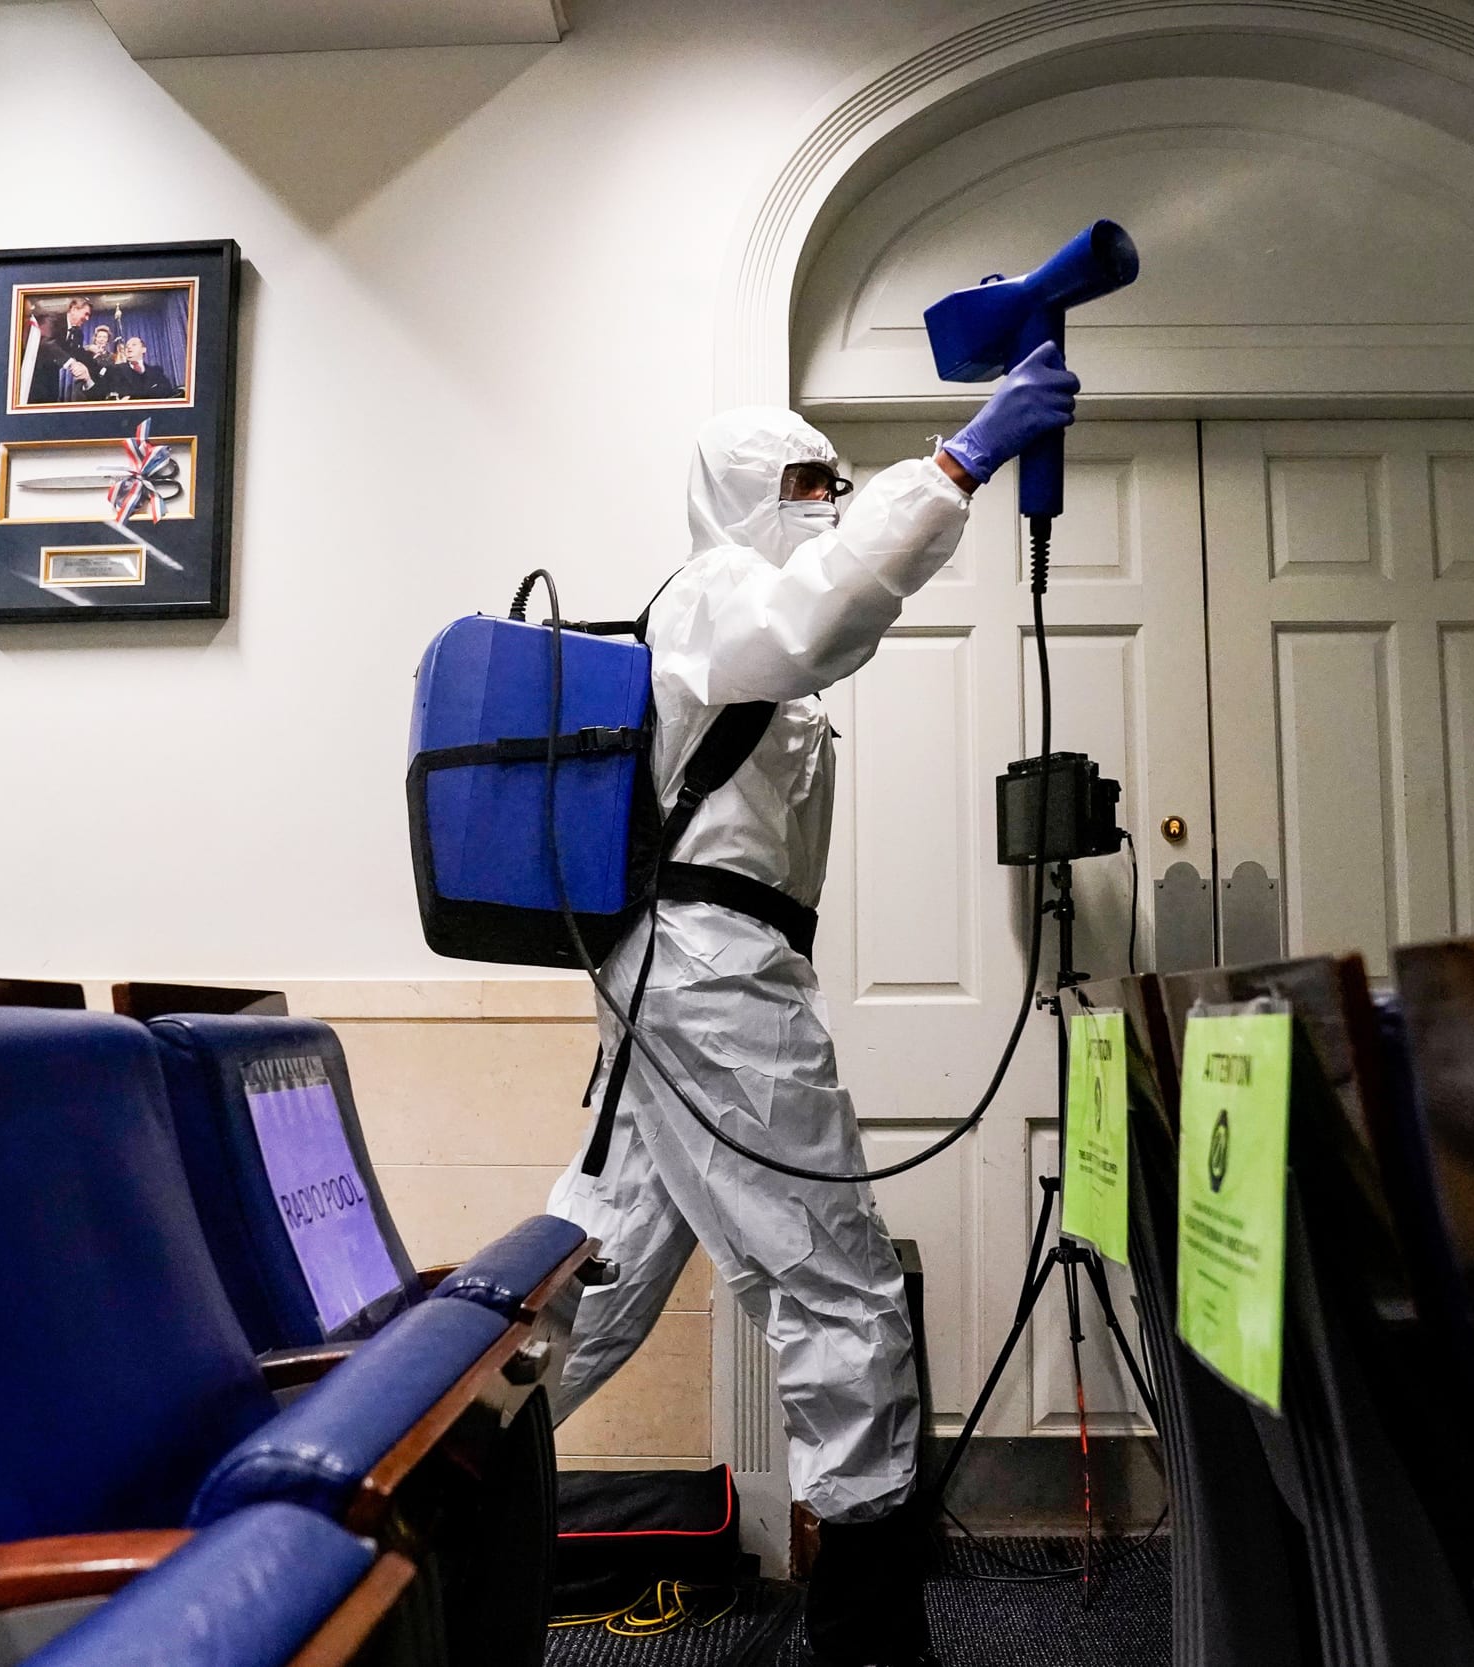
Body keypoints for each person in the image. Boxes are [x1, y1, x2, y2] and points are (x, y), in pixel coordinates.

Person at [545, 344, 1078, 1667]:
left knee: (595, 1271)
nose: (828, 497)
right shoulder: (727, 593)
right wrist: (957, 462)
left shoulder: (723, 606)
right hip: (712, 974)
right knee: (840, 1284)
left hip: (677, 969)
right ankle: (866, 1636)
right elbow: (817, 614)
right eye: (802, 478)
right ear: (735, 493)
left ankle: (401, 1496)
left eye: (837, 477)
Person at [23, 296, 100, 403]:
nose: (87, 318)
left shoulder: (78, 334)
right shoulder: (52, 320)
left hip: (53, 376)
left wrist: (95, 361)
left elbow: (78, 353)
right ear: (73, 309)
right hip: (36, 376)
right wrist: (72, 363)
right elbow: (46, 343)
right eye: (86, 314)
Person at [94, 333, 178, 402]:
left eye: (134, 345)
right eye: (127, 346)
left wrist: (132, 398)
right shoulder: (114, 370)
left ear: (143, 349)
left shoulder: (156, 371)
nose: (129, 347)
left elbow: (166, 392)